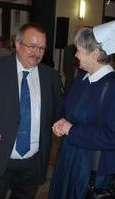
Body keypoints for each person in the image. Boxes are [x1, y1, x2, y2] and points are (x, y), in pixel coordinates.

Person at [0, 22, 63, 199]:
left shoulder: (51, 77)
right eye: (32, 46)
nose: (37, 53)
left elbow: (58, 110)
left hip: (33, 162)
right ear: (17, 44)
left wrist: (63, 120)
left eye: (42, 48)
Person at [48, 20, 115, 199]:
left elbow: (112, 137)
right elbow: (68, 108)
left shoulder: (112, 86)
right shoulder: (82, 77)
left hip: (91, 166)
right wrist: (61, 120)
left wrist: (72, 130)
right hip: (68, 156)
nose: (76, 55)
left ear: (95, 53)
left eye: (79, 50)